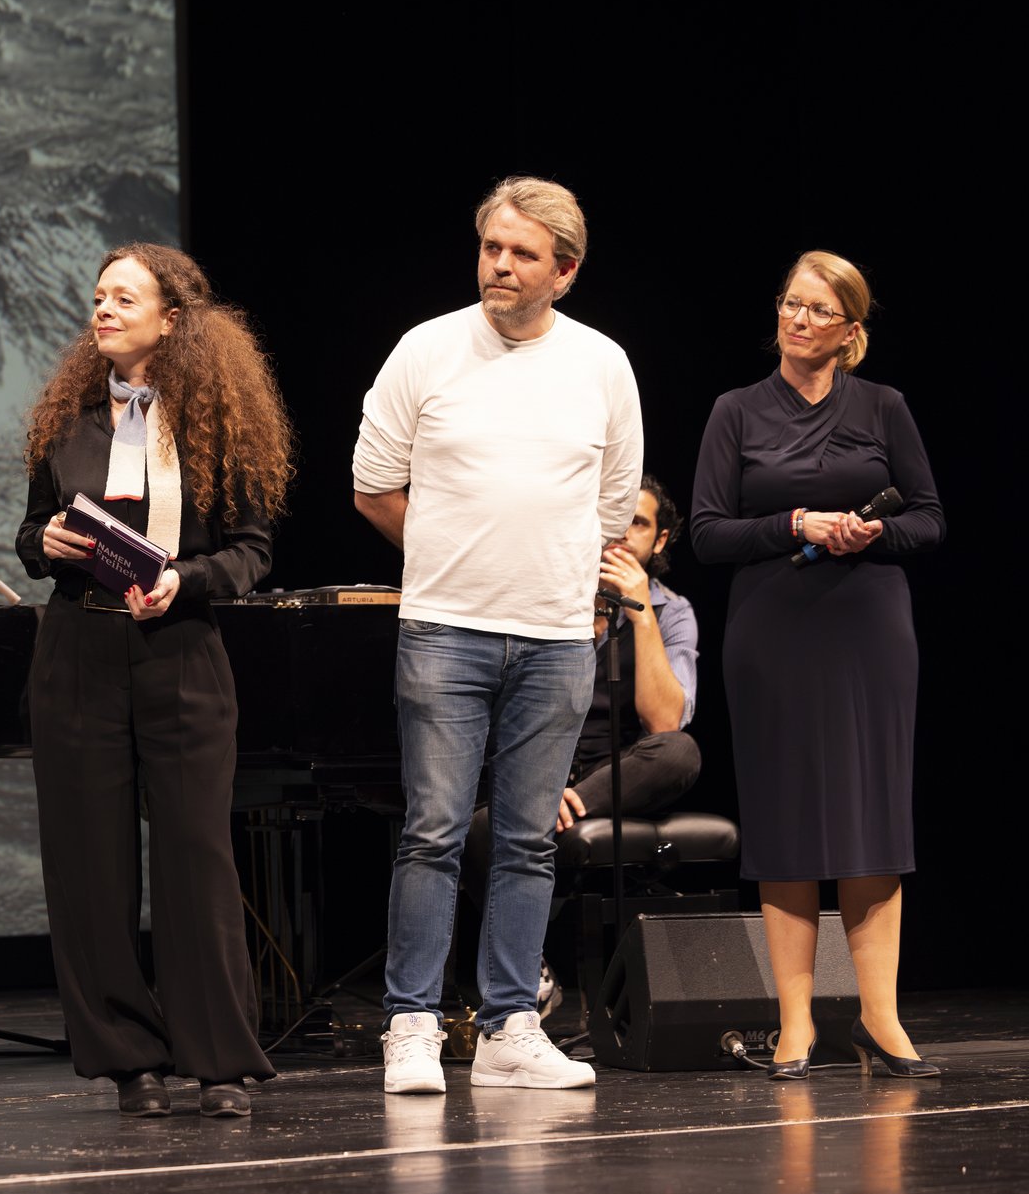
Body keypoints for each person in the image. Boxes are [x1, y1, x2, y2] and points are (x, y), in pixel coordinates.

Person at [353, 175, 642, 1093]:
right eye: (491, 248)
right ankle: (411, 1024)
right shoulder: (427, 350)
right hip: (445, 628)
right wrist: (447, 551)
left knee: (526, 839)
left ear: (565, 268)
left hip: (557, 636)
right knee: (434, 830)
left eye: (521, 253)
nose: (501, 266)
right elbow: (371, 483)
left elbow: (611, 502)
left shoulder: (603, 364)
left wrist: (554, 575)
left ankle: (513, 1022)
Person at [15, 243, 293, 1119]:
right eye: (97, 296)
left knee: (194, 862)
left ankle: (217, 1061)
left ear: (171, 317)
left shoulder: (215, 415)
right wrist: (45, 545)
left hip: (180, 654)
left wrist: (188, 581)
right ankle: (127, 1056)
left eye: (122, 298)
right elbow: (30, 531)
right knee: (89, 866)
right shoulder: (68, 415)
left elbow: (252, 550)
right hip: (77, 656)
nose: (101, 309)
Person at [692, 250, 945, 1080]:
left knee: (872, 817)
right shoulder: (735, 411)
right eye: (790, 304)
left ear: (850, 330)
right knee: (787, 819)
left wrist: (875, 532)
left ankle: (880, 1016)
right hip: (772, 631)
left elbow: (930, 519)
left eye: (817, 311)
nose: (798, 320)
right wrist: (794, 521)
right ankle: (795, 1022)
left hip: (868, 627)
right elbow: (706, 532)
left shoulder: (884, 406)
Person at [459, 476, 702, 1011]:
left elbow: (664, 721)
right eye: (611, 521)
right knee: (476, 828)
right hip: (537, 765)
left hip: (612, 776)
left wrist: (640, 612)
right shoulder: (542, 595)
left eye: (637, 524)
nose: (619, 536)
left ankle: (561, 808)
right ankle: (528, 965)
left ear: (659, 542)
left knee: (681, 751)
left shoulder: (673, 611)